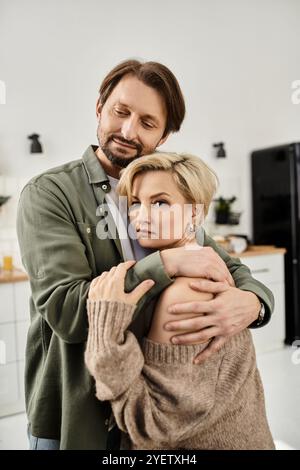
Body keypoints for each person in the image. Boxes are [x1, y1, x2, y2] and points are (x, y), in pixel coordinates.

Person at [17, 59, 274, 450]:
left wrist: (255, 303)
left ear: (165, 135)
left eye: (148, 123)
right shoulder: (50, 193)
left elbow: (232, 268)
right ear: (100, 107)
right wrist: (167, 263)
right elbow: (66, 313)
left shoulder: (169, 188)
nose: (128, 130)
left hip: (146, 411)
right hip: (77, 416)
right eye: (121, 112)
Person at [85, 152, 275, 450]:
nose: (141, 215)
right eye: (135, 202)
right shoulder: (204, 263)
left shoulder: (185, 292)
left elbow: (154, 428)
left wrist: (106, 334)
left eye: (160, 202)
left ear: (195, 215)